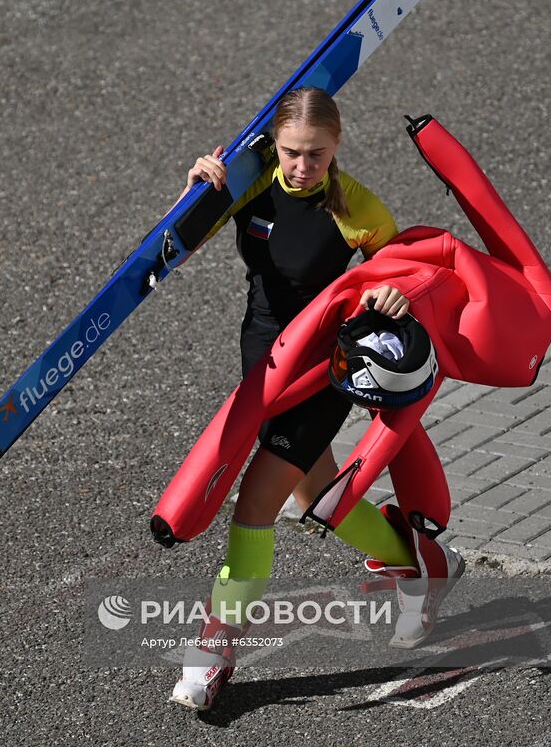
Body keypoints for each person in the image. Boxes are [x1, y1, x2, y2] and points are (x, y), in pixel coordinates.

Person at [168, 88, 461, 710]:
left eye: (317, 155)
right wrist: (197, 192)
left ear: (338, 145)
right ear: (275, 146)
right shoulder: (249, 185)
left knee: (255, 504)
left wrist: (395, 293)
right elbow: (172, 251)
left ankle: (214, 649)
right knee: (315, 497)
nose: (303, 167)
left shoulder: (355, 204)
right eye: (293, 153)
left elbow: (410, 270)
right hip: (264, 361)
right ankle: (418, 562)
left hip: (324, 367)